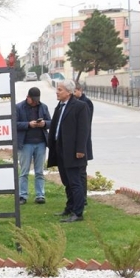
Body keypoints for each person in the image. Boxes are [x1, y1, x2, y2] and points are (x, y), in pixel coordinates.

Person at [48, 80, 90, 223]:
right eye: (57, 89)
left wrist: (80, 150)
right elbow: (55, 127)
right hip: (60, 149)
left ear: (69, 92)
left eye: (60, 89)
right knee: (66, 181)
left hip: (73, 151)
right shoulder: (59, 106)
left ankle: (78, 213)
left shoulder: (80, 106)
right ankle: (70, 207)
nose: (57, 92)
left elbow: (83, 130)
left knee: (75, 182)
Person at [15, 87, 51, 205]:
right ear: (28, 97)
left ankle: (40, 195)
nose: (35, 102)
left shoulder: (43, 107)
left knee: (39, 171)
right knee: (24, 171)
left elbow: (51, 122)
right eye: (33, 100)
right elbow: (13, 124)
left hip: (40, 143)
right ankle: (22, 195)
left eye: (37, 100)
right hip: (25, 143)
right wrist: (28, 124)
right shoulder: (19, 107)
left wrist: (44, 123)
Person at [73, 82, 94, 205]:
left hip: (83, 143)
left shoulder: (86, 103)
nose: (74, 93)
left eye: (75, 91)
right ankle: (78, 197)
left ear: (80, 90)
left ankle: (83, 197)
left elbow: (85, 123)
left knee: (82, 172)